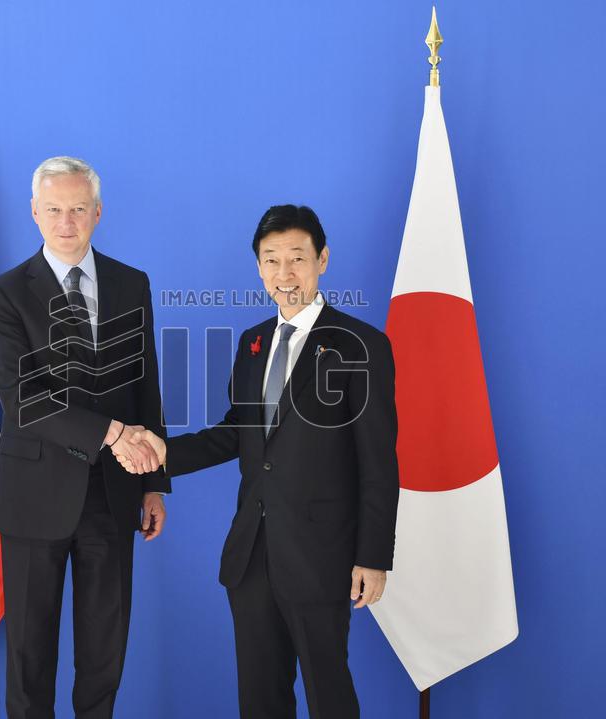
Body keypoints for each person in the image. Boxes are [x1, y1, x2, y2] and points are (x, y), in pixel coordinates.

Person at [123, 205, 399, 719]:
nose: (284, 273)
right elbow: (237, 434)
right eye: (271, 260)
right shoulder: (253, 344)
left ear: (323, 260)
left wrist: (374, 556)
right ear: (258, 268)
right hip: (252, 556)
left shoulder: (361, 344)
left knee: (329, 696)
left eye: (297, 258)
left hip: (323, 556)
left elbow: (379, 461)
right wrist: (163, 455)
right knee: (259, 699)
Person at [0, 156, 168, 719]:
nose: (67, 222)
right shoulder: (6, 293)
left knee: (104, 655)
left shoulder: (131, 283)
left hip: (113, 495)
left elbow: (145, 387)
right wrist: (111, 433)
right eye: (56, 210)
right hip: (34, 494)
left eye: (78, 210)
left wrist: (154, 483)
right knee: (29, 657)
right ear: (35, 212)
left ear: (97, 213)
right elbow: (23, 401)